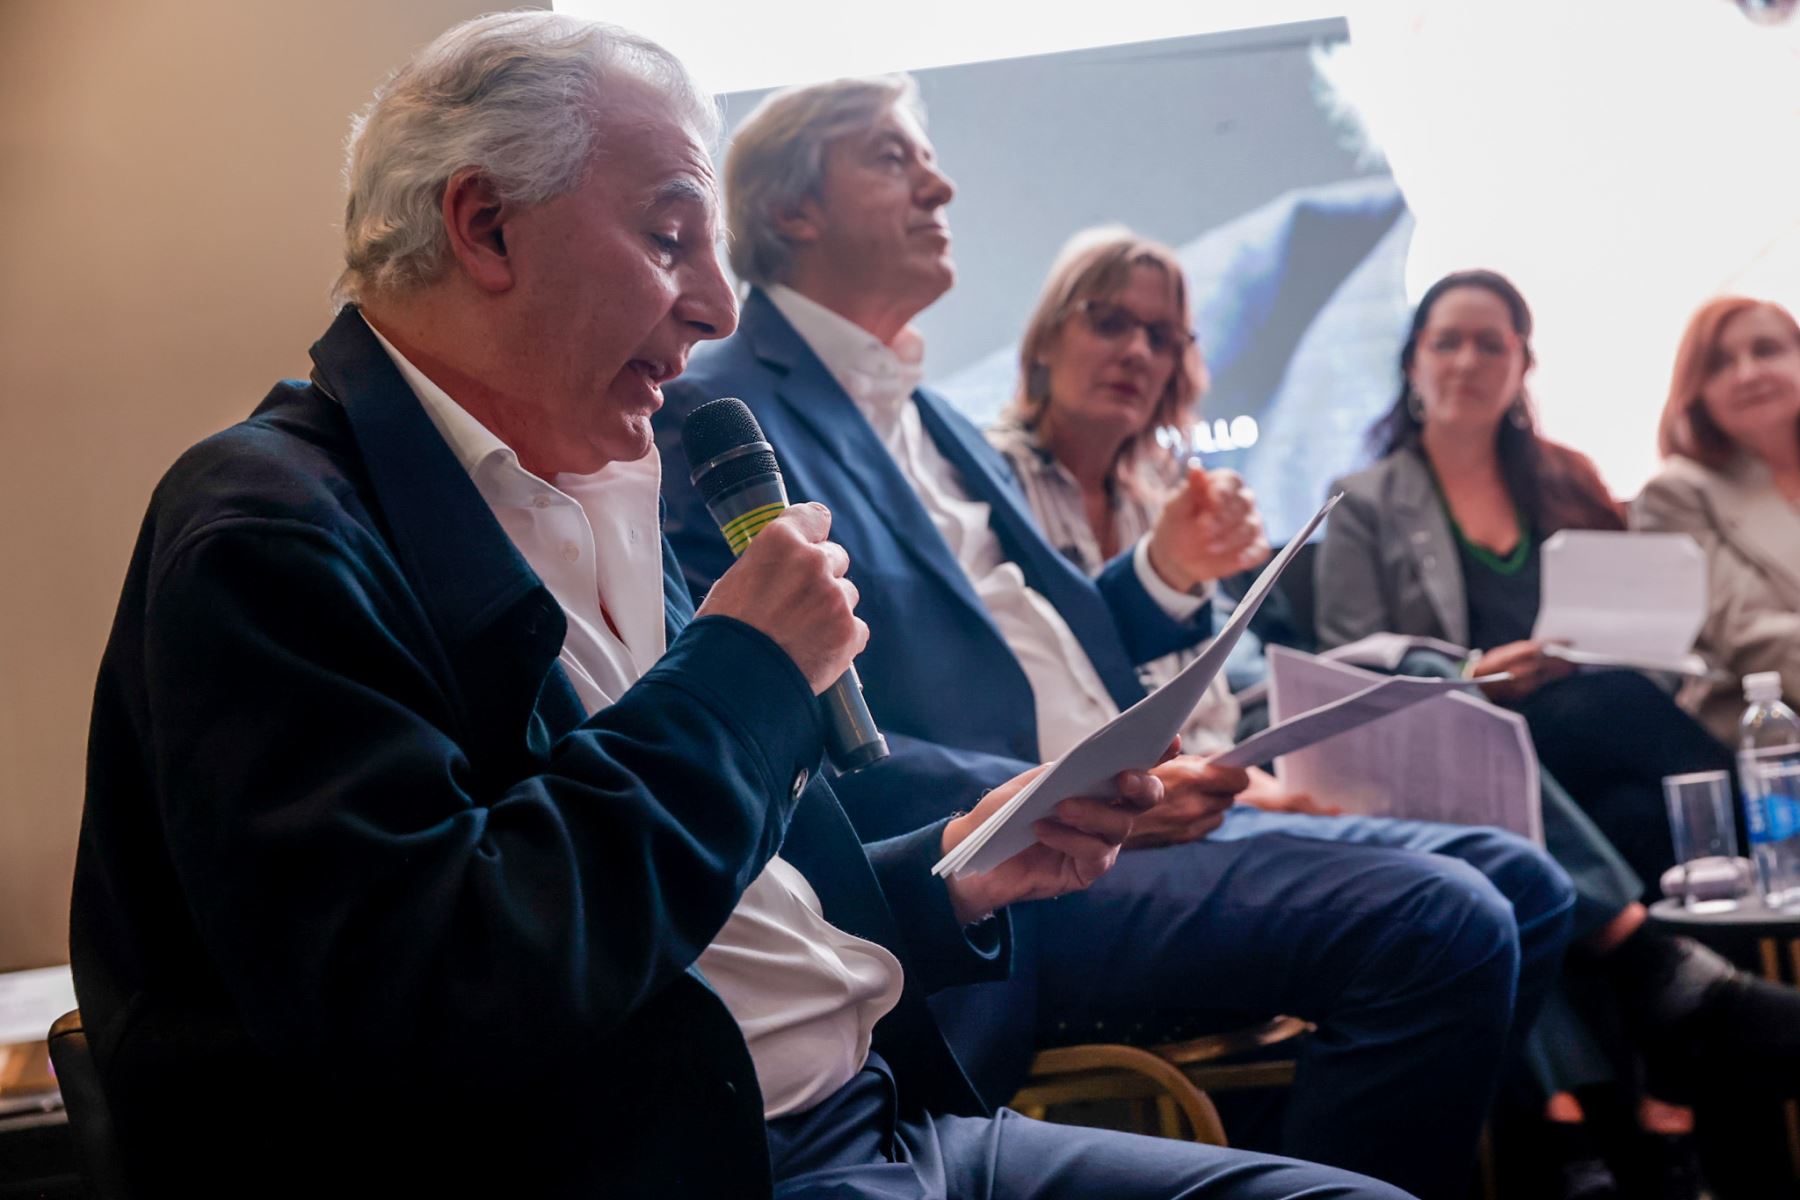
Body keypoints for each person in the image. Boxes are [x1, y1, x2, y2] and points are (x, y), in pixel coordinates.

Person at [66, 16, 1415, 1200]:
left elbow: (727, 900)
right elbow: (446, 982)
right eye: (666, 239)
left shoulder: (602, 485)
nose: (712, 308)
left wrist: (955, 873)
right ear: (482, 226)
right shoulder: (271, 535)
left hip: (885, 1124)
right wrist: (749, 672)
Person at [657, 75, 1577, 1200]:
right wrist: (1054, 793)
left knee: (1524, 880)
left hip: (1120, 802)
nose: (941, 183)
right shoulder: (722, 415)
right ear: (793, 210)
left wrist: (1169, 587)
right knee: (1453, 922)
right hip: (1013, 860)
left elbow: (1051, 631)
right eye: (896, 160)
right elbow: (796, 724)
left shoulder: (930, 411)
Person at [1318, 267, 1800, 1176]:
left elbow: (1656, 628)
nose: (1467, 360)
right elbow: (1356, 669)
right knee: (1604, 719)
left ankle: (1654, 1105)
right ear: (1413, 360)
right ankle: (1682, 1045)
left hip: (1585, 768)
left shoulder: (1568, 478)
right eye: (1446, 340)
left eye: (1490, 343)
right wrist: (1473, 675)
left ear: (1521, 364)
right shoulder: (1366, 503)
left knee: (1622, 795)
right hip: (1463, 755)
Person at [1634, 296, 1800, 743]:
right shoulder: (1676, 495)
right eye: (1720, 363)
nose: (1749, 373)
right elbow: (1749, 635)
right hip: (1769, 742)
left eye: (1766, 350)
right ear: (1696, 390)